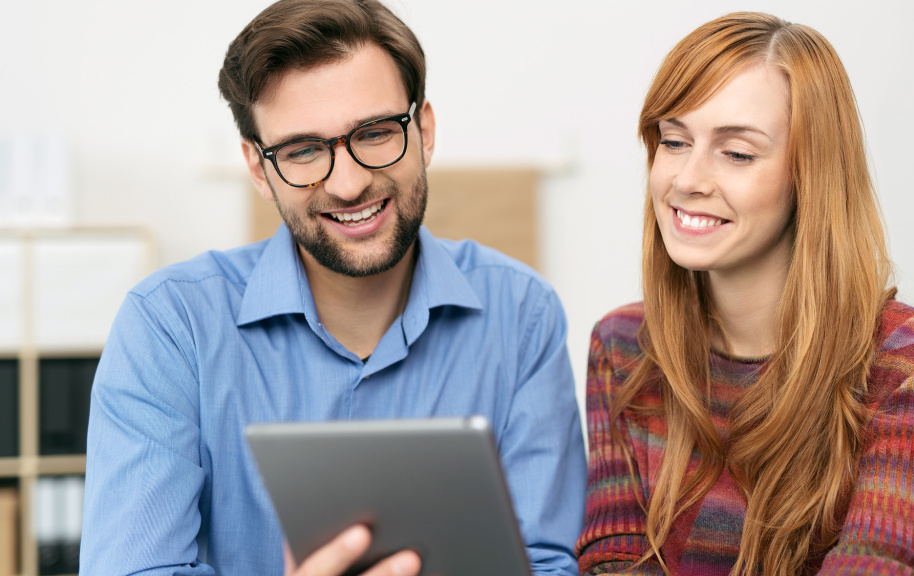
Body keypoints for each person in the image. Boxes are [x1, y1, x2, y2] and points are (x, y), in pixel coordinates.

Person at [80, 1, 586, 574]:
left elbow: (546, 563)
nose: (348, 184)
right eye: (301, 151)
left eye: (374, 133)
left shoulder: (522, 313)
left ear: (424, 130)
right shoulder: (171, 325)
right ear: (258, 169)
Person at [576, 12, 914, 576]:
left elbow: (881, 565)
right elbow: (611, 562)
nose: (687, 179)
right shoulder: (621, 348)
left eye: (737, 153)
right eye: (673, 141)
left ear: (809, 174)